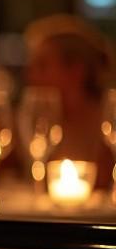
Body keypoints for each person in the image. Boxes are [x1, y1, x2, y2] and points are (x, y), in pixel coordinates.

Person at [25, 14, 114, 187]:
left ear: (76, 70)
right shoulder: (32, 121)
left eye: (42, 66)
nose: (31, 75)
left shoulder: (109, 123)